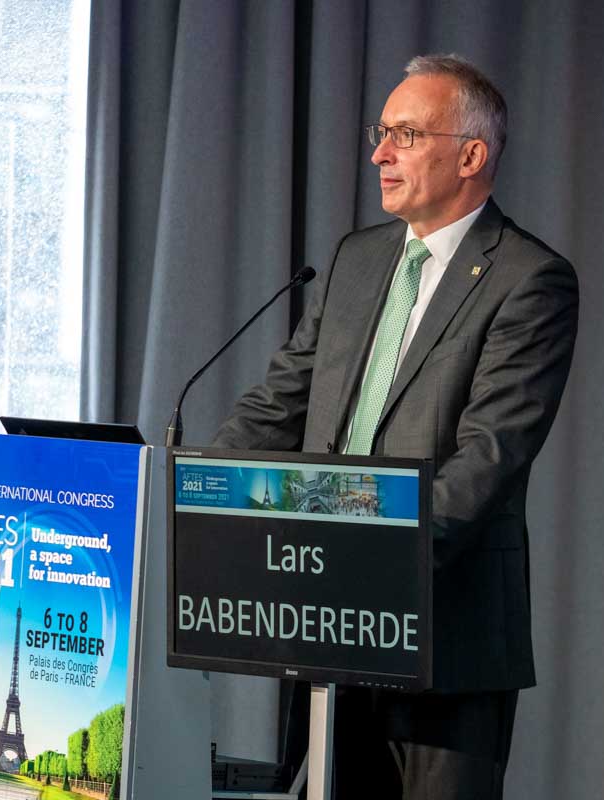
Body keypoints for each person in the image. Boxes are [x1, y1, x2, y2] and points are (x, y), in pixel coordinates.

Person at [213, 54, 579, 799]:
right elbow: (280, 404)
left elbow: (489, 456)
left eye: (405, 135)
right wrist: (191, 491)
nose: (380, 153)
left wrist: (373, 561)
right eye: (381, 133)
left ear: (470, 156)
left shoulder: (529, 279)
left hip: (444, 637)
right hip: (324, 626)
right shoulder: (357, 259)